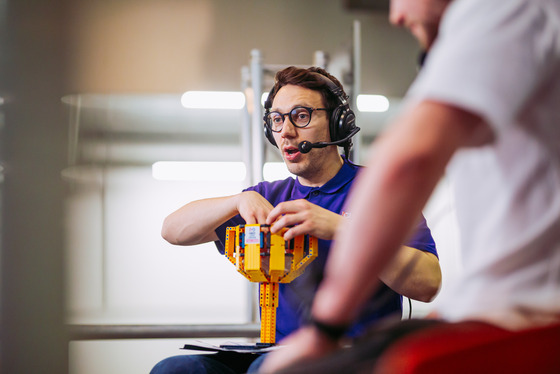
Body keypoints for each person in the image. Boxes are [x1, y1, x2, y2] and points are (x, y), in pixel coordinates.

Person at [260, 0, 560, 373]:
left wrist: (325, 328)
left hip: (527, 321)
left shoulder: (504, 9)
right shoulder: (270, 193)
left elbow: (409, 161)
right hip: (506, 312)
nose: (395, 16)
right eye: (277, 119)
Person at [150, 66, 442, 374]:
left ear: (336, 122)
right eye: (277, 120)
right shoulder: (267, 196)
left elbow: (428, 284)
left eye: (301, 116)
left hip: (354, 355)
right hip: (277, 354)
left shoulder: (380, 191)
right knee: (176, 369)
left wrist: (340, 227)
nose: (286, 132)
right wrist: (237, 201)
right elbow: (173, 230)